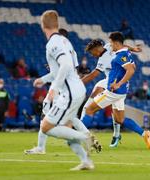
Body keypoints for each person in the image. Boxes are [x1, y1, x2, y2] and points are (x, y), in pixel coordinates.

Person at [25, 10, 99, 171]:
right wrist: (43, 80)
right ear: (57, 25)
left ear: (43, 26)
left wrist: (54, 88)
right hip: (77, 88)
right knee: (66, 129)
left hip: (69, 92)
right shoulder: (65, 41)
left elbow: (65, 65)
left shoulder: (53, 43)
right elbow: (62, 68)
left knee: (46, 127)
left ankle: (85, 136)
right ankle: (86, 161)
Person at [81, 32, 150, 149]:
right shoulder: (122, 51)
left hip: (112, 91)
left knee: (89, 109)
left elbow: (130, 70)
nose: (109, 44)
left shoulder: (118, 55)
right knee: (120, 119)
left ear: (115, 43)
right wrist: (133, 49)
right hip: (121, 92)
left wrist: (119, 83)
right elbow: (132, 65)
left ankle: (78, 137)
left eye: (111, 42)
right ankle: (145, 134)